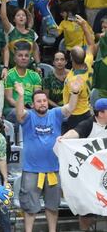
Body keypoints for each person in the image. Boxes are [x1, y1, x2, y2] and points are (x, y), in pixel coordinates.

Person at [14, 79, 81, 232]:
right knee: (30, 208)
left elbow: (70, 108)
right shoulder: (29, 116)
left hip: (53, 169)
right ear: (33, 104)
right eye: (39, 101)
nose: (43, 103)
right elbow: (19, 114)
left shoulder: (55, 114)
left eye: (44, 100)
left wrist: (75, 92)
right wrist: (20, 96)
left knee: (52, 206)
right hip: (32, 170)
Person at [60, 97, 107, 229]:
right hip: (89, 176)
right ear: (102, 113)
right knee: (87, 211)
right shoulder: (88, 124)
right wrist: (64, 138)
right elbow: (74, 132)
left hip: (105, 174)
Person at [62, 14, 96, 130]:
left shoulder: (74, 81)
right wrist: (83, 25)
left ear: (71, 59)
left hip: (76, 115)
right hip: (86, 110)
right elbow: (91, 44)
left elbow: (71, 105)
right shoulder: (88, 61)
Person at [4, 41, 42, 118]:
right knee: (23, 113)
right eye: (20, 55)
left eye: (26, 56)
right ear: (14, 59)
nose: (23, 58)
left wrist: (34, 106)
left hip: (31, 108)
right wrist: (22, 107)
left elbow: (38, 96)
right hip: (13, 108)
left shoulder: (35, 75)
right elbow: (9, 99)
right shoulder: (9, 75)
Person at [0, 0, 40, 67]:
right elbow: (3, 17)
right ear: (14, 19)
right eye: (18, 15)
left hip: (29, 69)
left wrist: (38, 64)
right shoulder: (10, 30)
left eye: (23, 15)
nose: (21, 17)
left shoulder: (32, 33)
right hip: (13, 69)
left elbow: (35, 49)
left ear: (26, 19)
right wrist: (3, 2)